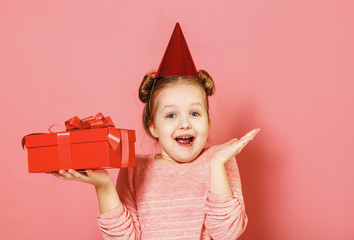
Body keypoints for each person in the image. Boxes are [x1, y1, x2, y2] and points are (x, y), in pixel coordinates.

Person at [53, 23, 260, 239]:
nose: (185, 123)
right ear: (153, 127)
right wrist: (103, 185)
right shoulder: (135, 169)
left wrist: (216, 165)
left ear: (208, 122)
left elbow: (226, 233)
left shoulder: (220, 160)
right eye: (171, 115)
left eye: (195, 113)